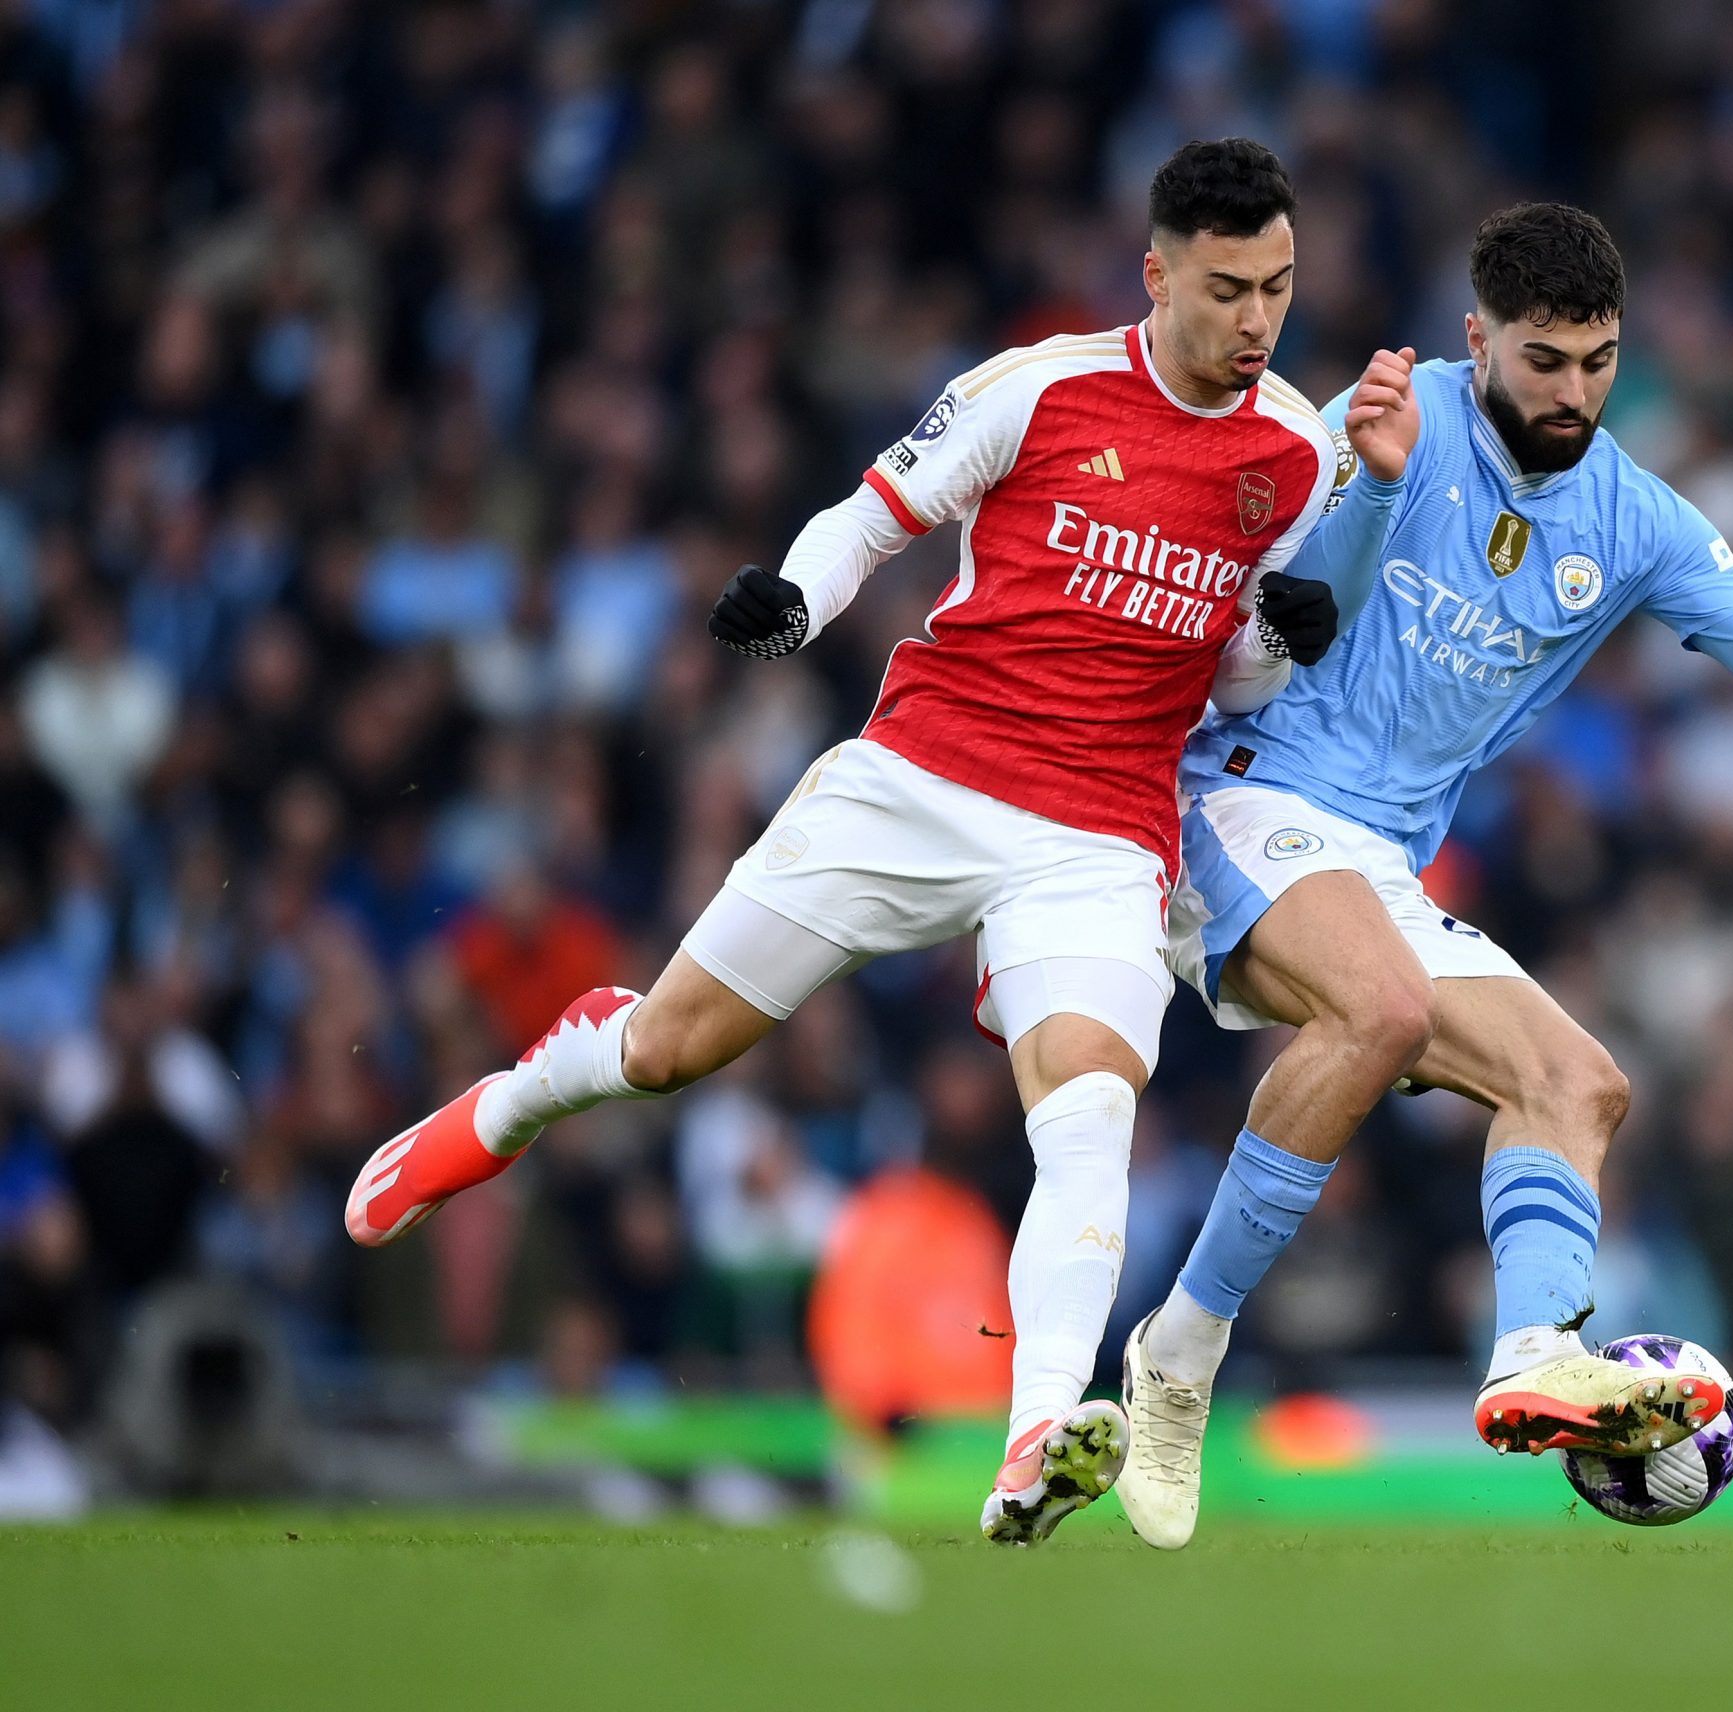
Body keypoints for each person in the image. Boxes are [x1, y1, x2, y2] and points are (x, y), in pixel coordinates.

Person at [342, 138, 1422, 1547]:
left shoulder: (1293, 451)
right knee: (671, 1052)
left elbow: (1235, 678)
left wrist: (1278, 644)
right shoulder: (1036, 387)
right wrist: (794, 602)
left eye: (1279, 289)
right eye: (1228, 290)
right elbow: (872, 515)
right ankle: (504, 1109)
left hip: (1100, 830)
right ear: (1156, 275)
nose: (1258, 322)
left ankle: (1040, 1427)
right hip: (922, 775)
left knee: (1089, 1109)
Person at [1117, 202, 1733, 1549]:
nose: (1574, 392)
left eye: (1598, 362)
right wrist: (1379, 480)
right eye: (1543, 363)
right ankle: (1182, 1356)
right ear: (1481, 340)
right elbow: (1285, 611)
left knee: (1579, 1083)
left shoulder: (1637, 522)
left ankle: (1530, 1353)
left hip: (1376, 864)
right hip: (1236, 792)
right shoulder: (1398, 411)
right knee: (1386, 1007)